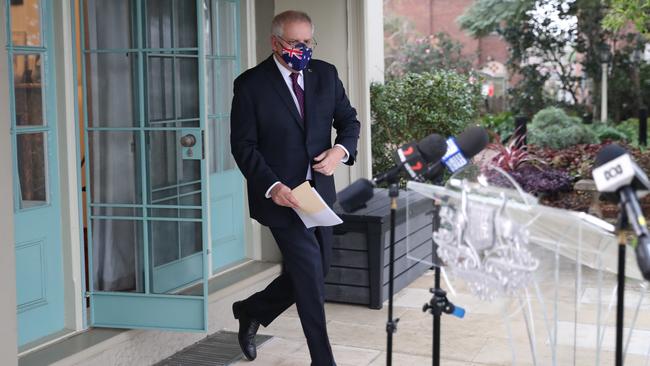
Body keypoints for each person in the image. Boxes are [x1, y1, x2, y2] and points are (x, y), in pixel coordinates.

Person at [229, 10, 361, 366]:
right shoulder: (251, 85)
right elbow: (243, 145)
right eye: (295, 43)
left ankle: (251, 309)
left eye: (307, 42)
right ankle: (323, 361)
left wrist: (340, 151)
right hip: (282, 199)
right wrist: (271, 186)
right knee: (309, 280)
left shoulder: (326, 75)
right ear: (275, 42)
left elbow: (349, 121)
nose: (302, 49)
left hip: (318, 196)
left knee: (320, 271)